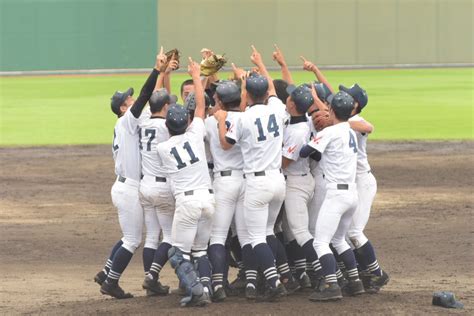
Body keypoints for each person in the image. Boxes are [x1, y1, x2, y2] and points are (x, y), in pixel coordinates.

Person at [214, 46, 288, 300]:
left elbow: (226, 144)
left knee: (256, 237)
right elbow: (273, 91)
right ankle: (283, 275)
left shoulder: (242, 119)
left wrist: (222, 119)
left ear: (246, 94)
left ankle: (275, 282)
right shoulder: (277, 109)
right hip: (279, 181)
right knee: (267, 232)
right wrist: (262, 63)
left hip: (256, 184)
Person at [94, 49, 166, 299]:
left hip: (126, 186)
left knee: (129, 237)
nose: (134, 100)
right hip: (129, 188)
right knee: (132, 240)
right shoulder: (126, 121)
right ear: (123, 108)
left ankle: (106, 272)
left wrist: (164, 72)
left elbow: (153, 99)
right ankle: (111, 283)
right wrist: (156, 69)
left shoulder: (130, 122)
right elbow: (146, 95)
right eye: (129, 100)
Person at [156, 57, 215, 307]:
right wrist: (197, 75)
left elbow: (158, 117)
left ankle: (196, 291)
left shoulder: (163, 148)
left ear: (168, 126)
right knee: (201, 250)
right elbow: (200, 107)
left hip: (188, 203)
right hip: (208, 200)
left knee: (177, 253)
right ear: (187, 123)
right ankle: (208, 289)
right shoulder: (195, 135)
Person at [300, 91, 365, 301]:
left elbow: (304, 152)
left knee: (320, 242)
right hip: (352, 195)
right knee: (339, 240)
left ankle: (331, 285)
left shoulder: (330, 132)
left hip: (336, 195)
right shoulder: (350, 131)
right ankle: (355, 282)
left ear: (332, 111)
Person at [341, 83, 390, 293]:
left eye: (346, 95)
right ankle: (364, 273)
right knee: (343, 233)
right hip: (354, 182)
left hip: (363, 181)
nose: (341, 96)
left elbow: (368, 127)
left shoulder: (355, 121)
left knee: (354, 231)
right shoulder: (345, 118)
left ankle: (378, 274)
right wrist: (316, 71)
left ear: (355, 104)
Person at [138, 88, 175, 296]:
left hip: (145, 186)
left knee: (152, 236)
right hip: (162, 188)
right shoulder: (167, 127)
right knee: (169, 236)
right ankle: (152, 276)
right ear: (166, 107)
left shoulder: (143, 123)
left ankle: (150, 282)